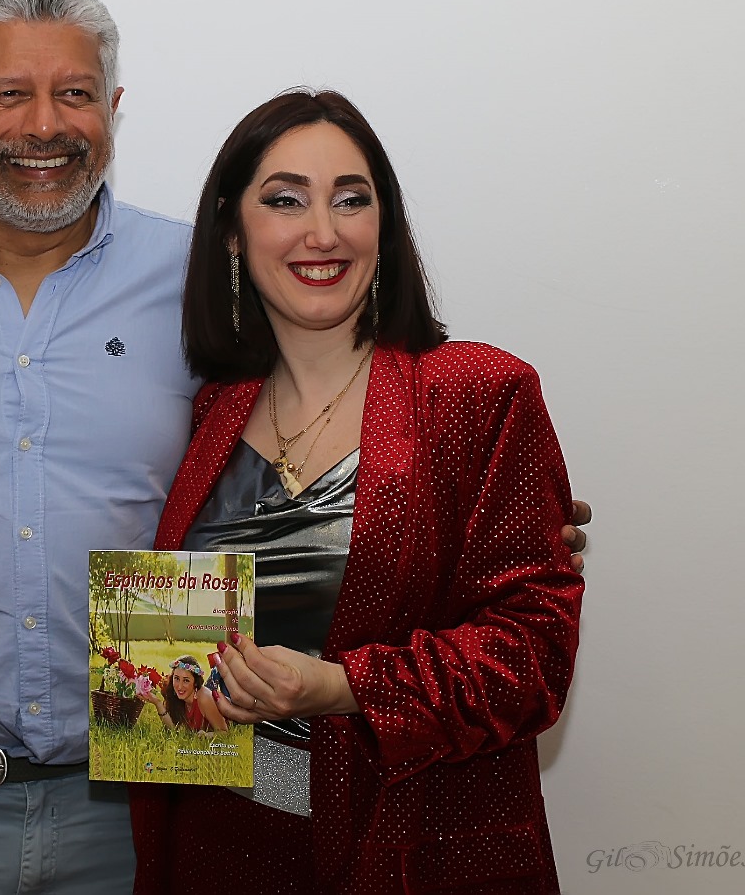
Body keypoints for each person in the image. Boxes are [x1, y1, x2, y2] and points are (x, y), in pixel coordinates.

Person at [0, 0, 590, 894]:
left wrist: (498, 509)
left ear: (113, 111)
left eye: (74, 93)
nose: (45, 124)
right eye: (9, 93)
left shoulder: (188, 285)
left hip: (141, 802)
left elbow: (450, 549)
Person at [130, 90, 584, 894]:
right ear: (233, 232)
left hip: (407, 852)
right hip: (217, 847)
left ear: (385, 225)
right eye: (285, 200)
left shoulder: (477, 391)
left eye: (351, 200)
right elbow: (175, 656)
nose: (323, 232)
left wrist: (343, 689)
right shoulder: (210, 412)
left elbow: (534, 656)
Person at [142, 657, 227, 733]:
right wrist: (158, 703)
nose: (179, 686)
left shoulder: (204, 698)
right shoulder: (175, 695)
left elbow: (224, 732)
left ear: (195, 682)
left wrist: (207, 736)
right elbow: (173, 730)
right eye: (177, 678)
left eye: (186, 680)